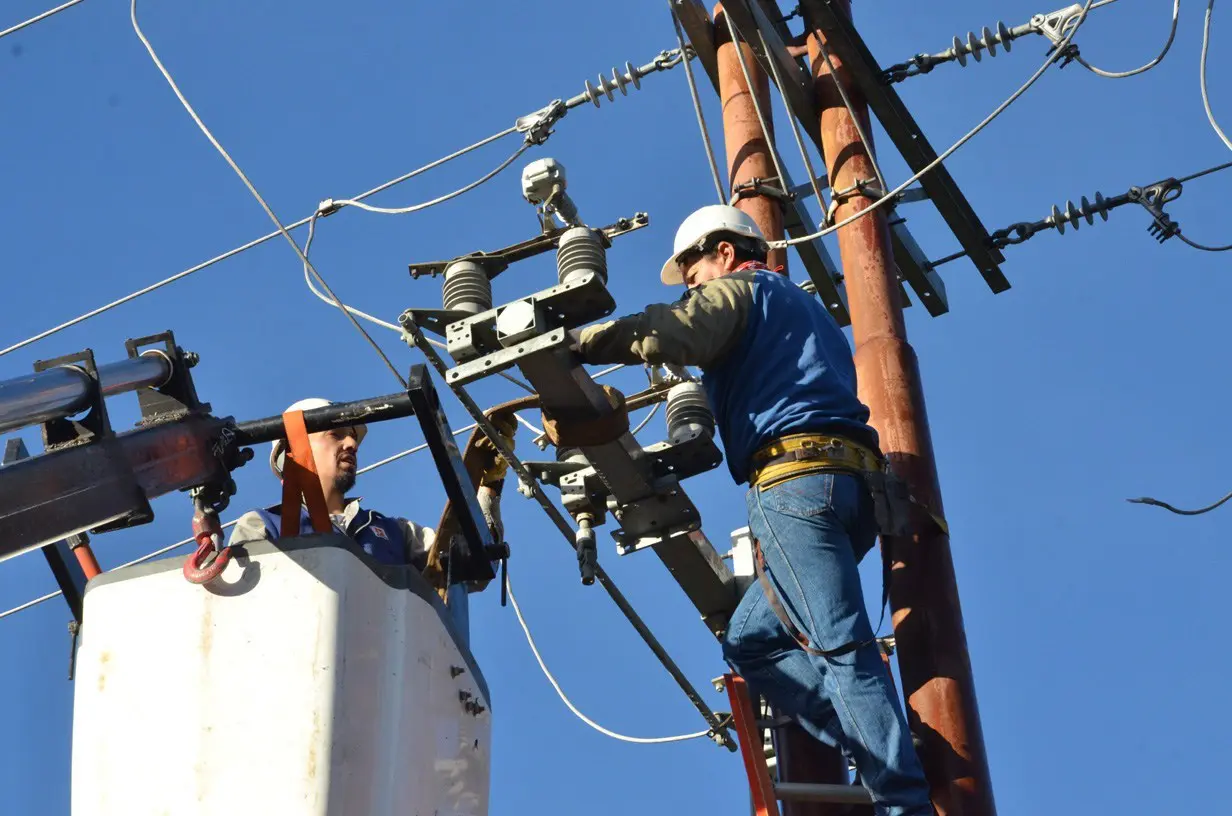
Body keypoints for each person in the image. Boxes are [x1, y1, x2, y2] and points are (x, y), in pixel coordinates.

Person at [571, 205, 934, 816]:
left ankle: (904, 802)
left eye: (694, 272)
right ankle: (879, 740)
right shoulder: (801, 308)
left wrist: (577, 341)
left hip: (795, 487)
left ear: (728, 253)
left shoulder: (744, 289)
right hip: (847, 491)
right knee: (751, 641)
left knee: (839, 648)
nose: (692, 284)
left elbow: (674, 332)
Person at [226, 397, 512, 638]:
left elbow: (469, 568)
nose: (351, 442)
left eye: (352, 436)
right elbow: (241, 614)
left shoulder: (396, 533)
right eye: (335, 435)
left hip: (385, 673)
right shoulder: (263, 525)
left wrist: (488, 490)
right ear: (294, 452)